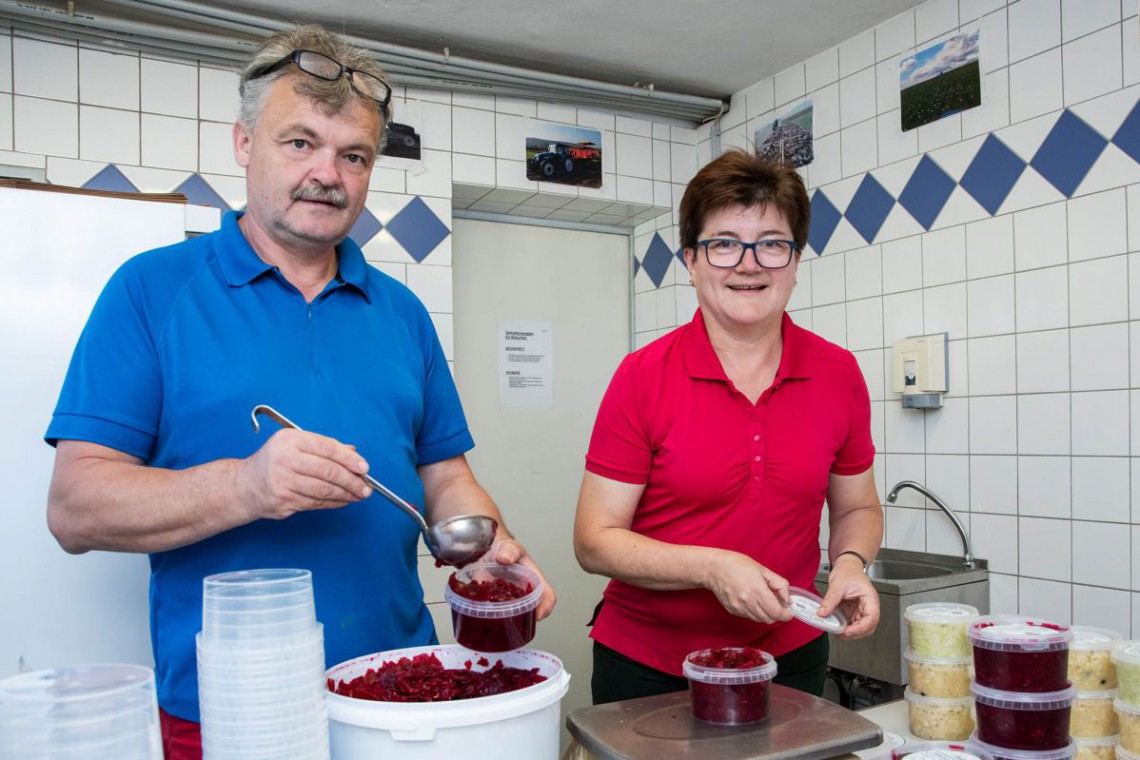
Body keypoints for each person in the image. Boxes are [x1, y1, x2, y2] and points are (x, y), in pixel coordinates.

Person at [44, 24, 554, 759]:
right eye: (299, 142)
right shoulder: (149, 291)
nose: (329, 174)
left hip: (402, 695)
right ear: (244, 143)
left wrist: (483, 544)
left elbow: (445, 476)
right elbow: (74, 509)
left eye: (354, 155)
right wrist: (245, 487)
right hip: (231, 711)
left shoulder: (402, 312)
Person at [573, 148, 881, 705]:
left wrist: (852, 564)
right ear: (690, 261)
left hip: (788, 655)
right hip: (649, 665)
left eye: (771, 243)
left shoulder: (839, 374)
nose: (749, 263)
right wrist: (712, 566)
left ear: (794, 260)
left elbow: (857, 507)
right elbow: (595, 543)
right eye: (723, 245)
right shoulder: (643, 377)